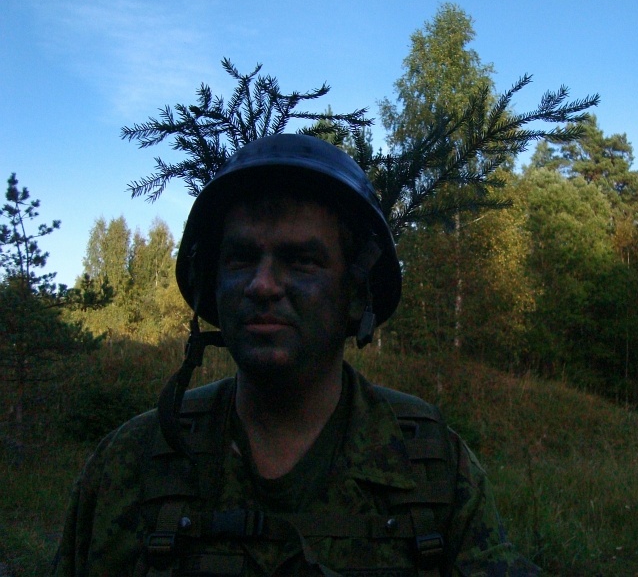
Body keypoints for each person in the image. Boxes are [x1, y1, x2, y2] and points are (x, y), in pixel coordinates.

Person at [53, 134, 538, 576]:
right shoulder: (131, 464)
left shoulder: (432, 467)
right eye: (241, 258)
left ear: (356, 294)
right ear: (211, 284)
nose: (262, 284)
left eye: (302, 260)